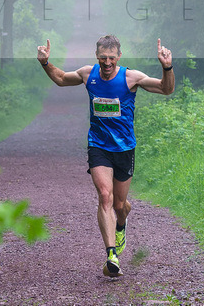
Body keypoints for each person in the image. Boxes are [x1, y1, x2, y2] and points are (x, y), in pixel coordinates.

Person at [36, 34, 174, 278]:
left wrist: (167, 67)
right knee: (105, 196)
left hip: (124, 149)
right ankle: (111, 255)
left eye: (111, 58)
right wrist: (45, 63)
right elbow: (60, 79)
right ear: (96, 57)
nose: (107, 63)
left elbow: (166, 89)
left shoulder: (131, 78)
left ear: (118, 57)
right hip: (98, 146)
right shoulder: (88, 74)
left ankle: (121, 221)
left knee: (120, 205)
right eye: (102, 58)